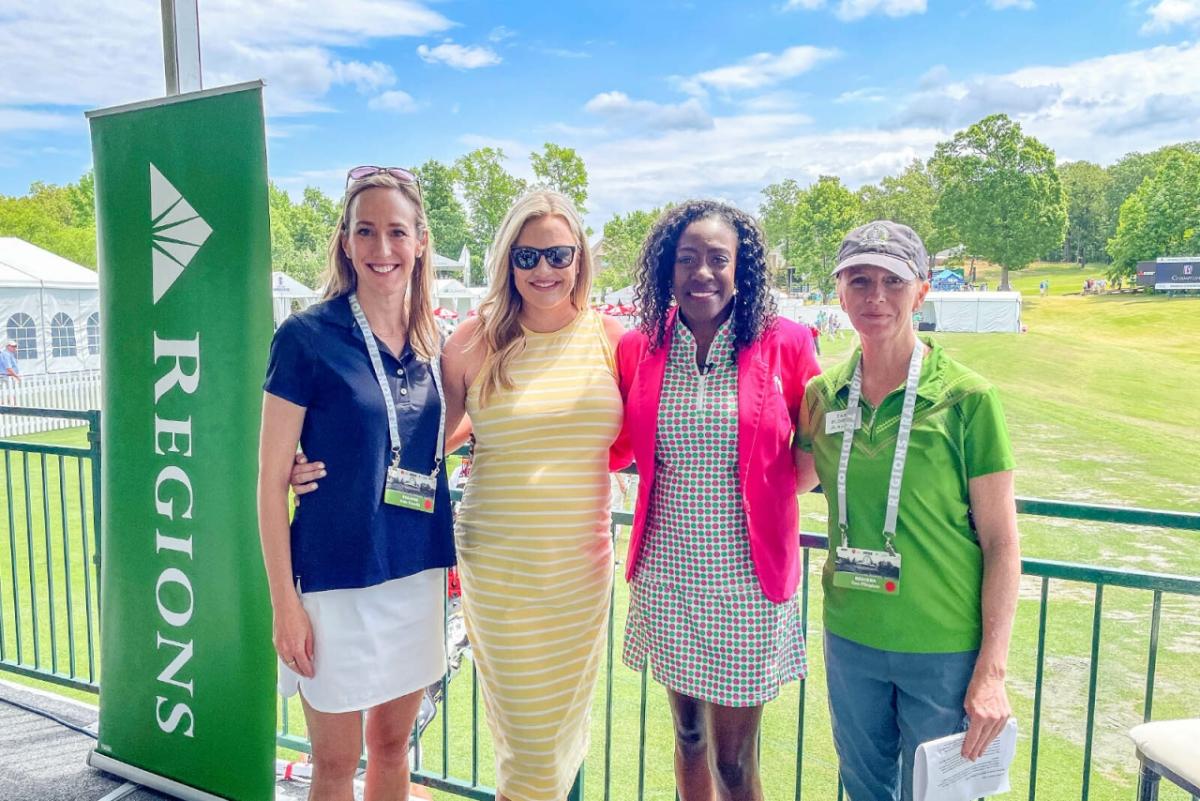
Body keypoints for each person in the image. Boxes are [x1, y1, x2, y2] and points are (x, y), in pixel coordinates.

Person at [797, 221, 1020, 801]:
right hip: (851, 635)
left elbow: (1002, 542)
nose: (876, 298)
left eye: (893, 282)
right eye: (860, 280)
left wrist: (992, 670)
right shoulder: (823, 396)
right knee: (865, 790)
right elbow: (789, 478)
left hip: (943, 644)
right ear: (839, 293)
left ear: (921, 291)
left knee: (939, 796)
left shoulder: (968, 398)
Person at [612, 201, 821, 801]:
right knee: (688, 737)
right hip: (669, 572)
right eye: (687, 259)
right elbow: (618, 442)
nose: (701, 272)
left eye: (717, 259)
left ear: (741, 269)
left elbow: (809, 465)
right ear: (666, 270)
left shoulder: (786, 344)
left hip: (746, 584)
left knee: (733, 762)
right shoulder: (641, 347)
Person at [257, 166, 455, 801]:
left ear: (420, 241)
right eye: (365, 231)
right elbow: (267, 484)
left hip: (415, 574)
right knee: (336, 767)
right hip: (334, 582)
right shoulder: (305, 338)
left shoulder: (433, 342)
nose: (381, 248)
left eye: (396, 232)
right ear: (345, 242)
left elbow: (430, 433)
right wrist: (284, 604)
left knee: (394, 750)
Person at [443, 190, 624, 801]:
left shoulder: (614, 338)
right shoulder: (473, 341)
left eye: (556, 254)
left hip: (580, 573)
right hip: (501, 570)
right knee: (527, 748)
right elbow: (424, 438)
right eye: (527, 256)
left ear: (579, 259)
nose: (543, 270)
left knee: (560, 739)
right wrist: (310, 456)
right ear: (507, 260)